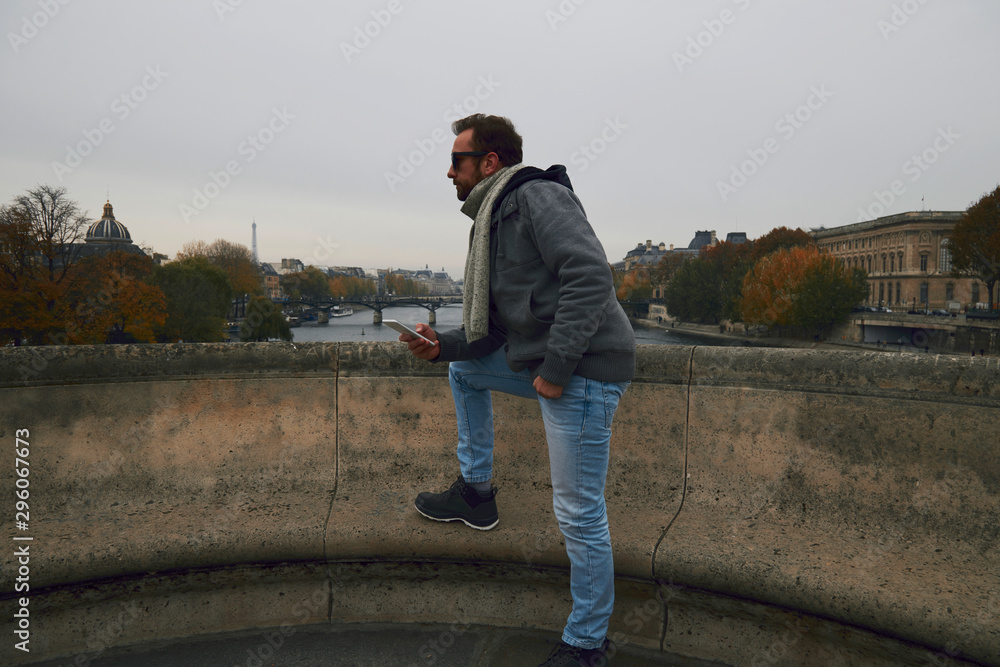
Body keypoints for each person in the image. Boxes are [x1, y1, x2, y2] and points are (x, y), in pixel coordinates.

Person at [398, 114, 634, 667]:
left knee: (578, 512)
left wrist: (555, 371)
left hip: (585, 369)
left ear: (489, 162)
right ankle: (476, 494)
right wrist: (441, 346)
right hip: (548, 362)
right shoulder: (492, 220)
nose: (448, 172)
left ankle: (587, 643)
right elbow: (496, 331)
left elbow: (592, 277)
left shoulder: (537, 198)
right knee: (463, 371)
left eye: (456, 161)